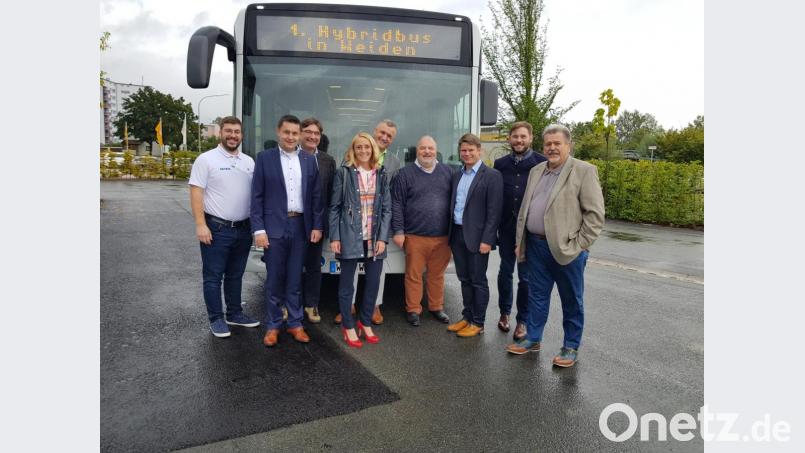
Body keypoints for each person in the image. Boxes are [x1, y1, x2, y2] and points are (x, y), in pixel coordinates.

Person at [507, 124, 605, 367]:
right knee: (537, 297)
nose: (551, 148)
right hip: (536, 248)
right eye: (548, 143)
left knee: (572, 300)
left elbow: (595, 216)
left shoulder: (583, 171)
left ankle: (570, 346)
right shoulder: (537, 170)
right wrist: (521, 242)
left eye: (557, 143)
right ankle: (533, 338)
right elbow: (526, 210)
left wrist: (579, 246)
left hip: (566, 250)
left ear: (568, 145)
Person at [251, 114, 323, 347]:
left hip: (300, 226)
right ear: (278, 132)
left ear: (300, 135)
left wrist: (316, 225)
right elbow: (257, 197)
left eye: (295, 133)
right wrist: (258, 230)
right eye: (287, 132)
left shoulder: (309, 160)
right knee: (274, 279)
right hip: (273, 228)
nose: (291, 137)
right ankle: (273, 325)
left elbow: (315, 197)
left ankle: (295, 323)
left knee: (295, 279)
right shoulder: (264, 158)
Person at [188, 116, 260, 338]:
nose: (233, 135)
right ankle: (216, 318)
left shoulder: (249, 162)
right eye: (228, 131)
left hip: (243, 229)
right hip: (216, 228)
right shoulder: (206, 159)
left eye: (237, 132)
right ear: (220, 133)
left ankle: (234, 313)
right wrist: (201, 224)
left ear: (241, 135)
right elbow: (196, 192)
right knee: (213, 277)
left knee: (235, 275)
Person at [334, 119, 399, 325]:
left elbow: (389, 201)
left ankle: (373, 310)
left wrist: (385, 234)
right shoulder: (347, 164)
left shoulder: (392, 164)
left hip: (376, 228)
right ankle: (348, 308)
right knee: (349, 274)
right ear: (374, 133)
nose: (384, 138)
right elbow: (337, 203)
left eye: (389, 136)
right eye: (382, 133)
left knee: (376, 276)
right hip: (352, 230)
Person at [329, 132, 391, 348]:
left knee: (373, 284)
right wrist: (335, 236)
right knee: (347, 285)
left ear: (373, 149)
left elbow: (387, 210)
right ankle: (348, 326)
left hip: (374, 239)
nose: (363, 151)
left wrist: (383, 238)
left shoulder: (382, 174)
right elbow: (335, 207)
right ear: (353, 150)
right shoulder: (343, 173)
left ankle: (365, 323)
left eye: (367, 147)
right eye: (359, 147)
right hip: (349, 236)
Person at [493, 121, 547, 340]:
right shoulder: (500, 164)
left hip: (529, 231)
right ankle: (504, 313)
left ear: (531, 138)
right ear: (509, 139)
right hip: (506, 228)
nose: (519, 140)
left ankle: (522, 320)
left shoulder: (542, 163)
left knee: (525, 278)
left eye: (523, 136)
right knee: (505, 272)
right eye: (515, 136)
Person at [446, 133, 503, 337]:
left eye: (471, 150)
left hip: (479, 238)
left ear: (480, 151)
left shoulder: (492, 176)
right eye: (464, 150)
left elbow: (494, 211)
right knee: (464, 279)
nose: (467, 153)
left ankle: (478, 323)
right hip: (457, 233)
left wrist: (488, 239)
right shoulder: (457, 175)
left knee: (478, 280)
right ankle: (467, 317)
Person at [391, 136, 452, 326]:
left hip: (443, 236)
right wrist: (399, 231)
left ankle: (436, 307)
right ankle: (413, 309)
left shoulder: (448, 172)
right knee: (413, 275)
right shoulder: (404, 174)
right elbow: (397, 204)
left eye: (431, 148)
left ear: (436, 151)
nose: (427, 152)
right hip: (415, 235)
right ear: (416, 151)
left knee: (437, 275)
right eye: (423, 148)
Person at [299, 118, 336, 324]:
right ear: (301, 133)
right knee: (293, 266)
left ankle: (311, 304)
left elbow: (330, 196)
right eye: (308, 132)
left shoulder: (327, 161)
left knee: (314, 266)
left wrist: (323, 225)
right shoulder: (290, 157)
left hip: (316, 225)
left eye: (316, 134)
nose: (312, 136)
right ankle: (290, 303)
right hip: (294, 222)